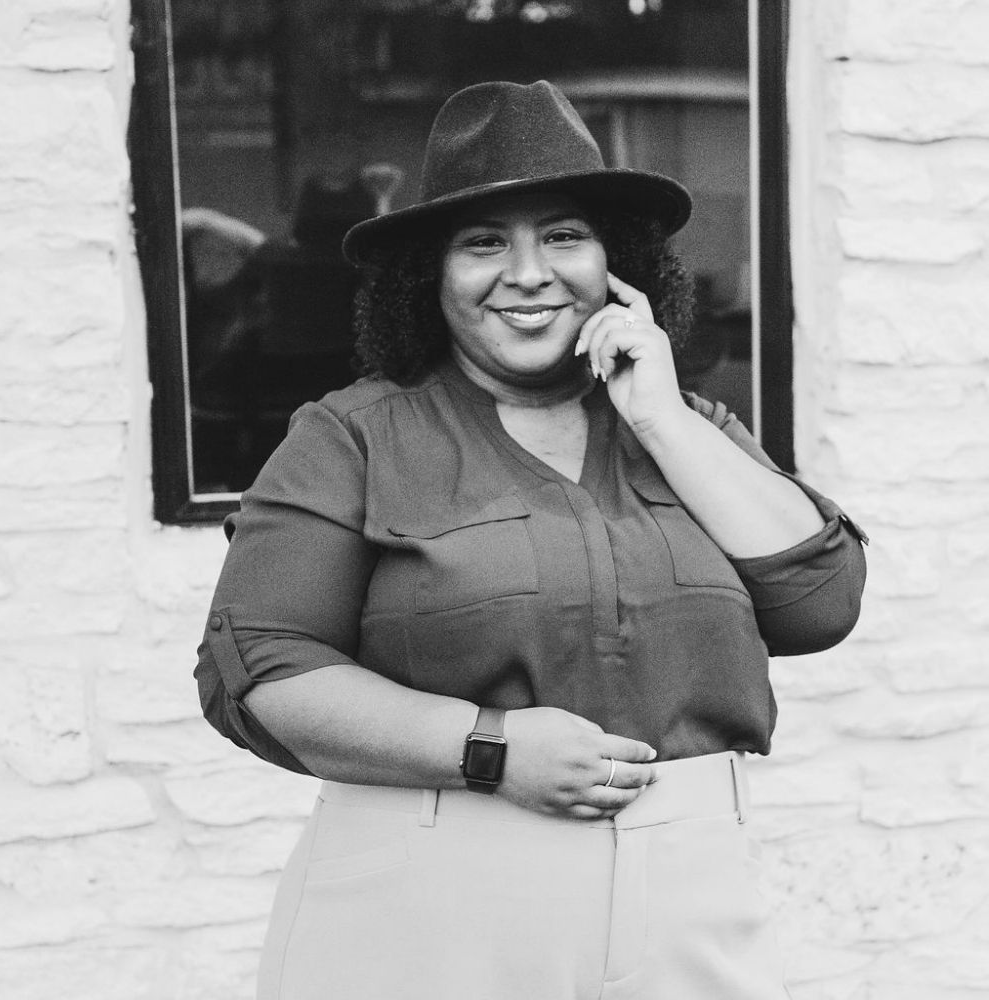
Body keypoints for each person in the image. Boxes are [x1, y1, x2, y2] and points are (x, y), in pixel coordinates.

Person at [194, 80, 867, 1000]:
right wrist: (490, 747)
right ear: (429, 275)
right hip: (432, 901)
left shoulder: (687, 424)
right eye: (483, 243)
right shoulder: (353, 436)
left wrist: (662, 417)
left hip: (688, 898)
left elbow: (819, 600)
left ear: (614, 262)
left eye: (562, 235)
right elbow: (262, 667)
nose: (528, 272)